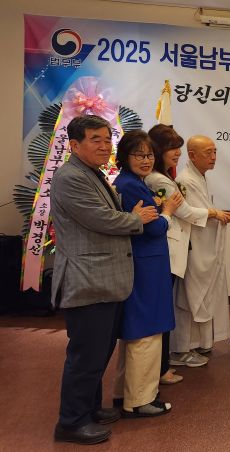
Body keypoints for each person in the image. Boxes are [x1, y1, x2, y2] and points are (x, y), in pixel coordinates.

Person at [51, 115, 158, 444]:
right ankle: (71, 422)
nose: (104, 145)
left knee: (98, 354)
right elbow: (101, 219)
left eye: (106, 138)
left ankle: (90, 409)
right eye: (95, 139)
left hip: (104, 280)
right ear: (74, 145)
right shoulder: (70, 177)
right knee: (85, 356)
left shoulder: (92, 172)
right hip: (88, 280)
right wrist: (136, 218)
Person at [112, 130, 182, 417]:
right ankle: (140, 400)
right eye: (138, 155)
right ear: (125, 156)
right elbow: (154, 228)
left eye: (149, 155)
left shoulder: (131, 183)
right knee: (147, 332)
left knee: (138, 332)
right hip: (146, 266)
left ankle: (126, 394)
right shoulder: (131, 186)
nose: (146, 160)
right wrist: (167, 211)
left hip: (143, 264)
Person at [170, 135, 230, 366]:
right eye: (208, 152)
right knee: (190, 297)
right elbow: (196, 214)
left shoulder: (199, 177)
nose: (213, 157)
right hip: (195, 248)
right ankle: (180, 349)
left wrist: (226, 215)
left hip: (204, 245)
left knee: (202, 295)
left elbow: (208, 212)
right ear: (192, 155)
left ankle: (198, 342)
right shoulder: (186, 180)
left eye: (215, 151)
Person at [145, 125, 197, 383]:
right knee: (161, 312)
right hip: (165, 249)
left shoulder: (163, 177)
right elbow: (185, 211)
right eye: (171, 148)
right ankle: (160, 369)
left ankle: (162, 366)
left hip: (168, 249)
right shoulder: (159, 180)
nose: (177, 152)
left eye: (178, 147)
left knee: (163, 310)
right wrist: (214, 213)